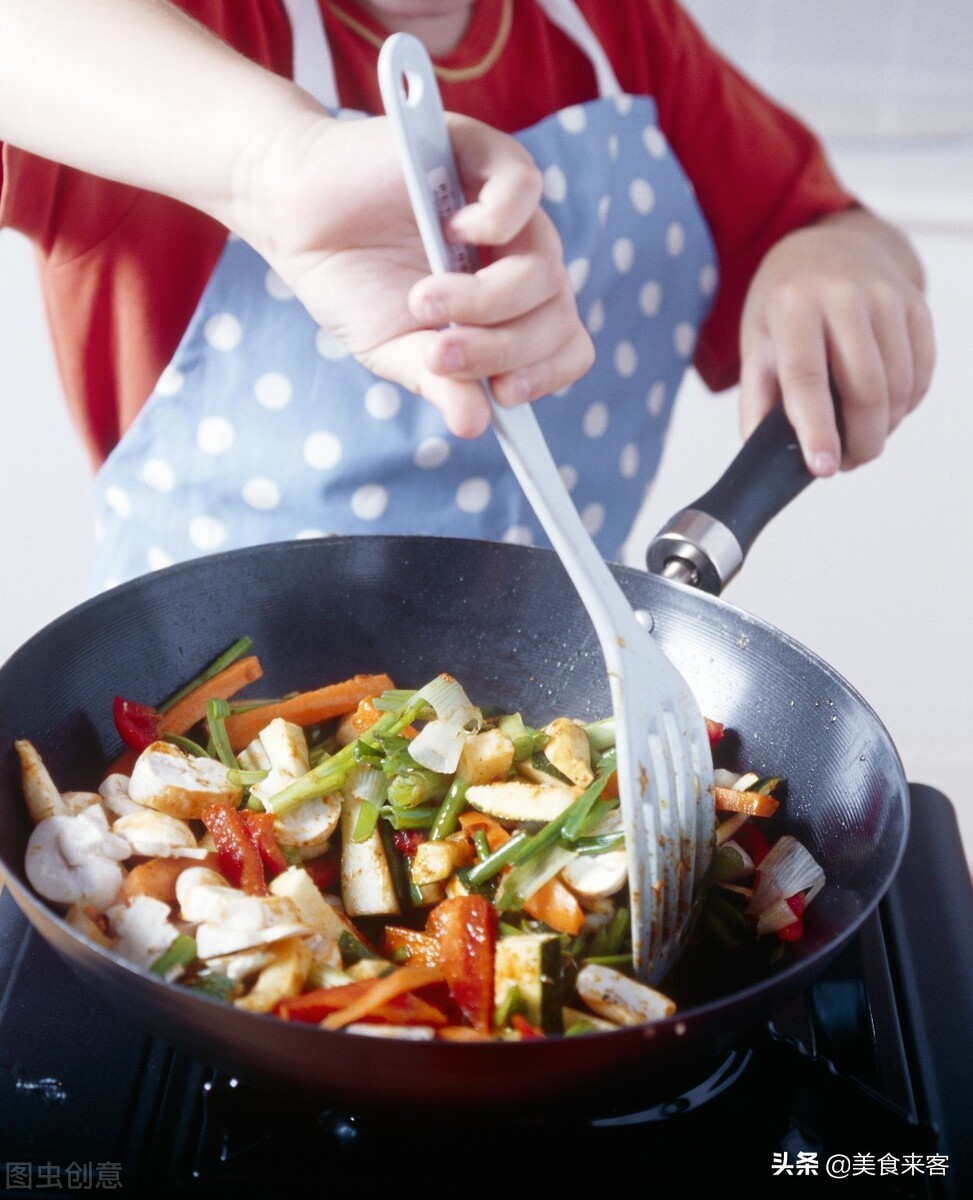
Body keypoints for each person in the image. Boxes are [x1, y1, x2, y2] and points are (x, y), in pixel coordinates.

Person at [0, 0, 935, 591]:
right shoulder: (185, 36)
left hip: (541, 705)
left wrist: (834, 257)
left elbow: (831, 230)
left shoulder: (625, 35)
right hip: (181, 711)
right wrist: (273, 161)